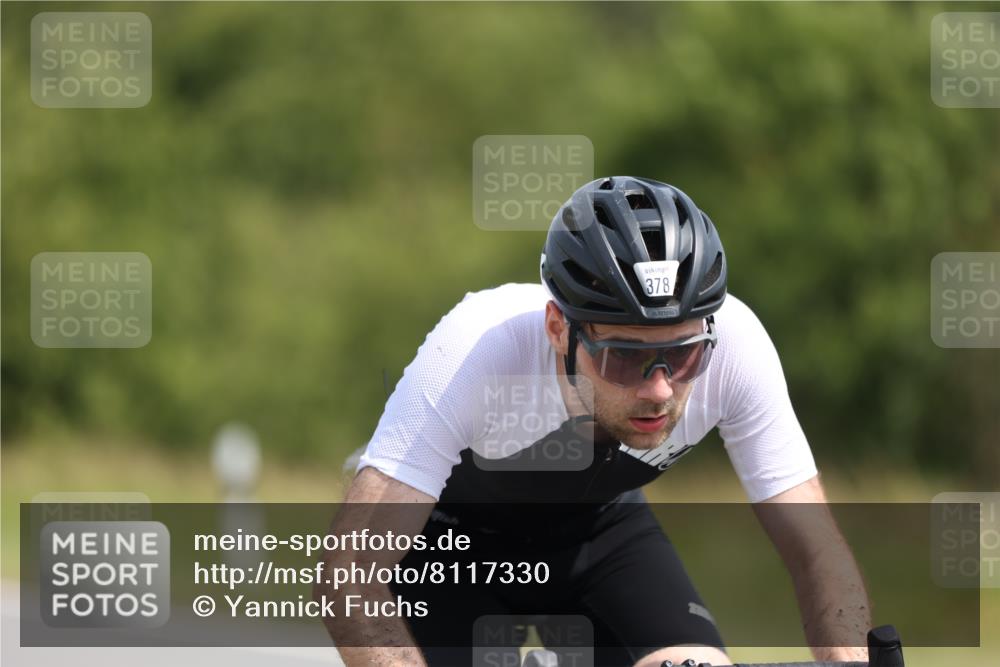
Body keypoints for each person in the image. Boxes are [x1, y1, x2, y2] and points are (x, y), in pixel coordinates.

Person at [318, 176, 872, 667]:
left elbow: (815, 549)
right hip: (448, 549)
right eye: (625, 357)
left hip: (599, 533)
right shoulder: (475, 350)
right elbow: (348, 575)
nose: (659, 390)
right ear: (558, 328)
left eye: (682, 356)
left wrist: (850, 662)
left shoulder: (737, 347)